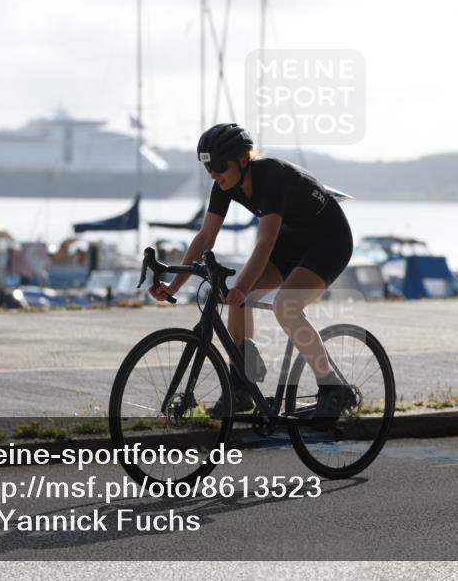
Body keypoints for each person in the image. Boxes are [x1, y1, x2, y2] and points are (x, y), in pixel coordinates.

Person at [148, 123, 355, 424]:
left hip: (328, 241)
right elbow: (205, 237)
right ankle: (243, 386)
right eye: (210, 170)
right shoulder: (225, 185)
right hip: (291, 240)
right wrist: (174, 286)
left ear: (243, 160)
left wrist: (242, 288)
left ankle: (333, 388)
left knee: (286, 306)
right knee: (232, 294)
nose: (215, 175)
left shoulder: (272, 176)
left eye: (220, 167)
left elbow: (265, 241)